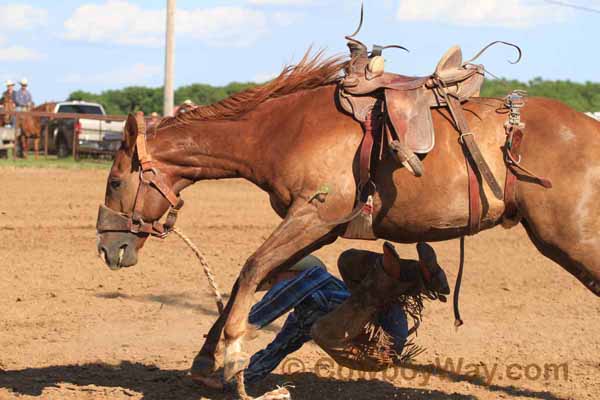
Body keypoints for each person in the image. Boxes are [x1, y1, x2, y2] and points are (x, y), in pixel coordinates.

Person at [191, 242, 449, 392]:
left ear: (291, 274)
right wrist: (226, 381)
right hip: (372, 339)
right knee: (317, 317)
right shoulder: (305, 315)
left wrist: (236, 325)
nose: (274, 285)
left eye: (276, 280)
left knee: (347, 261)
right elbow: (274, 351)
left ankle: (412, 276)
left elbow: (287, 294)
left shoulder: (316, 282)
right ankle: (402, 275)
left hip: (381, 330)